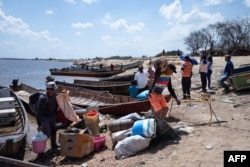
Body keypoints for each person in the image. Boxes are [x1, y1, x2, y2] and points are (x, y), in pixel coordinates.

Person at [36, 81, 59, 159]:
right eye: (50, 89)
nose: (52, 91)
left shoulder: (55, 95)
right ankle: (40, 153)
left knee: (54, 130)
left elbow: (57, 103)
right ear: (47, 89)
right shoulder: (43, 98)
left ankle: (53, 144)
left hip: (52, 116)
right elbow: (38, 112)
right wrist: (39, 124)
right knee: (46, 134)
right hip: (44, 118)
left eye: (53, 89)